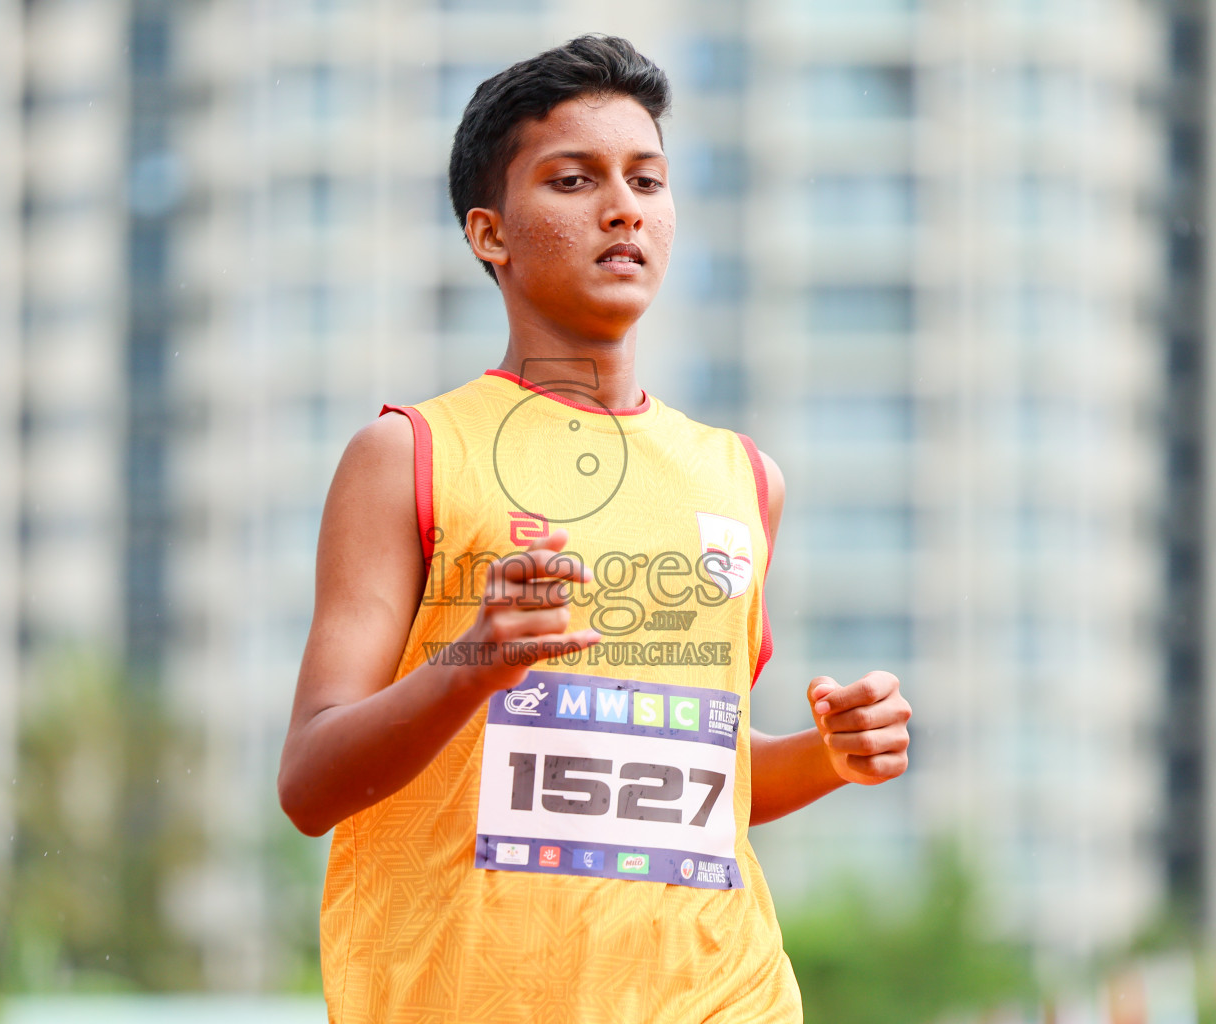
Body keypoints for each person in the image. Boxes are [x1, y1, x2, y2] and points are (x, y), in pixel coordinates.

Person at [278, 34, 913, 1024]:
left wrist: (827, 756)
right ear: (490, 234)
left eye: (647, 180)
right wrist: (471, 663)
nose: (623, 206)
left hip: (723, 995)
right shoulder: (408, 456)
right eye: (574, 180)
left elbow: (690, 782)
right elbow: (310, 782)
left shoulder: (743, 478)